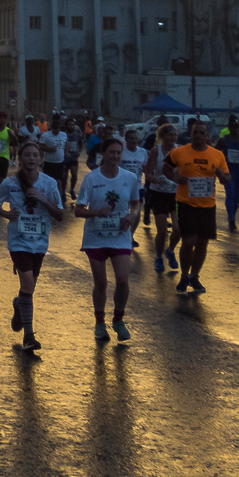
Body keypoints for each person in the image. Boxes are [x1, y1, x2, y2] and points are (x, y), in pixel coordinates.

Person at [0, 141, 64, 351]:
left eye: (35, 155)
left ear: (41, 159)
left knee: (28, 288)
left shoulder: (49, 184)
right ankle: (29, 336)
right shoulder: (10, 183)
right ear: (20, 159)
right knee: (29, 285)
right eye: (27, 155)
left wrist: (42, 199)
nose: (31, 158)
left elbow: (60, 215)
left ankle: (18, 305)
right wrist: (6, 214)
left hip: (39, 242)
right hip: (18, 241)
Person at [75, 137, 142, 341]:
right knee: (101, 283)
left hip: (120, 235)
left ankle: (119, 320)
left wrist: (132, 215)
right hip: (96, 237)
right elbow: (78, 211)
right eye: (111, 152)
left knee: (122, 280)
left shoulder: (130, 178)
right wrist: (97, 212)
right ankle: (99, 322)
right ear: (103, 154)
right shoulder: (91, 179)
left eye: (118, 153)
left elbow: (136, 204)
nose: (115, 156)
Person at [166, 121, 230, 296]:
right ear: (190, 133)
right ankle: (184, 276)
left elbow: (227, 179)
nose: (199, 136)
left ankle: (194, 276)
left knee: (203, 242)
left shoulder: (217, 155)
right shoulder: (179, 152)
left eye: (202, 133)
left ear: (207, 136)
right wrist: (174, 176)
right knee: (188, 241)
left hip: (208, 205)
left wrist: (221, 176)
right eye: (196, 132)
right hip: (186, 203)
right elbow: (166, 167)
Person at [145, 124, 181, 274]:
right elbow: (147, 174)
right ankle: (159, 257)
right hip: (158, 193)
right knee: (162, 232)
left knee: (178, 229)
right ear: (163, 136)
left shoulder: (180, 150)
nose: (173, 138)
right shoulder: (156, 151)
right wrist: (156, 179)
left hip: (176, 193)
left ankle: (170, 250)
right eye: (170, 135)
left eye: (175, 135)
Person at [215, 121, 239, 230]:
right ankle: (231, 218)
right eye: (233, 126)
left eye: (237, 126)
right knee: (230, 194)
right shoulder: (223, 140)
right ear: (229, 127)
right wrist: (222, 157)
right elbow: (214, 152)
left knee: (236, 195)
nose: (235, 129)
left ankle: (233, 215)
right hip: (228, 172)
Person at [119, 129, 148, 248]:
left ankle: (130, 236)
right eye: (131, 138)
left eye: (136, 138)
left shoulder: (142, 152)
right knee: (123, 212)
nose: (134, 140)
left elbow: (146, 168)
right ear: (126, 140)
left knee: (136, 214)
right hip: (122, 187)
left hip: (138, 187)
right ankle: (122, 234)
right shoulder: (122, 152)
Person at [38, 115, 68, 204]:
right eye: (55, 128)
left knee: (59, 181)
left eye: (58, 128)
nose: (57, 130)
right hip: (49, 162)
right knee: (49, 182)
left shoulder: (63, 135)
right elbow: (40, 145)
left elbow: (66, 144)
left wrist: (67, 152)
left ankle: (60, 199)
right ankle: (47, 199)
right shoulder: (46, 135)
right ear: (52, 128)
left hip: (60, 162)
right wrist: (50, 149)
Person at [63, 120, 83, 200]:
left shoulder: (77, 135)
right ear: (66, 125)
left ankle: (72, 190)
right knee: (64, 177)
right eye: (69, 125)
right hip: (64, 159)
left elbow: (80, 144)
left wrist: (79, 151)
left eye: (72, 125)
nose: (71, 126)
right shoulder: (63, 135)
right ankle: (63, 192)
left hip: (74, 158)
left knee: (74, 175)